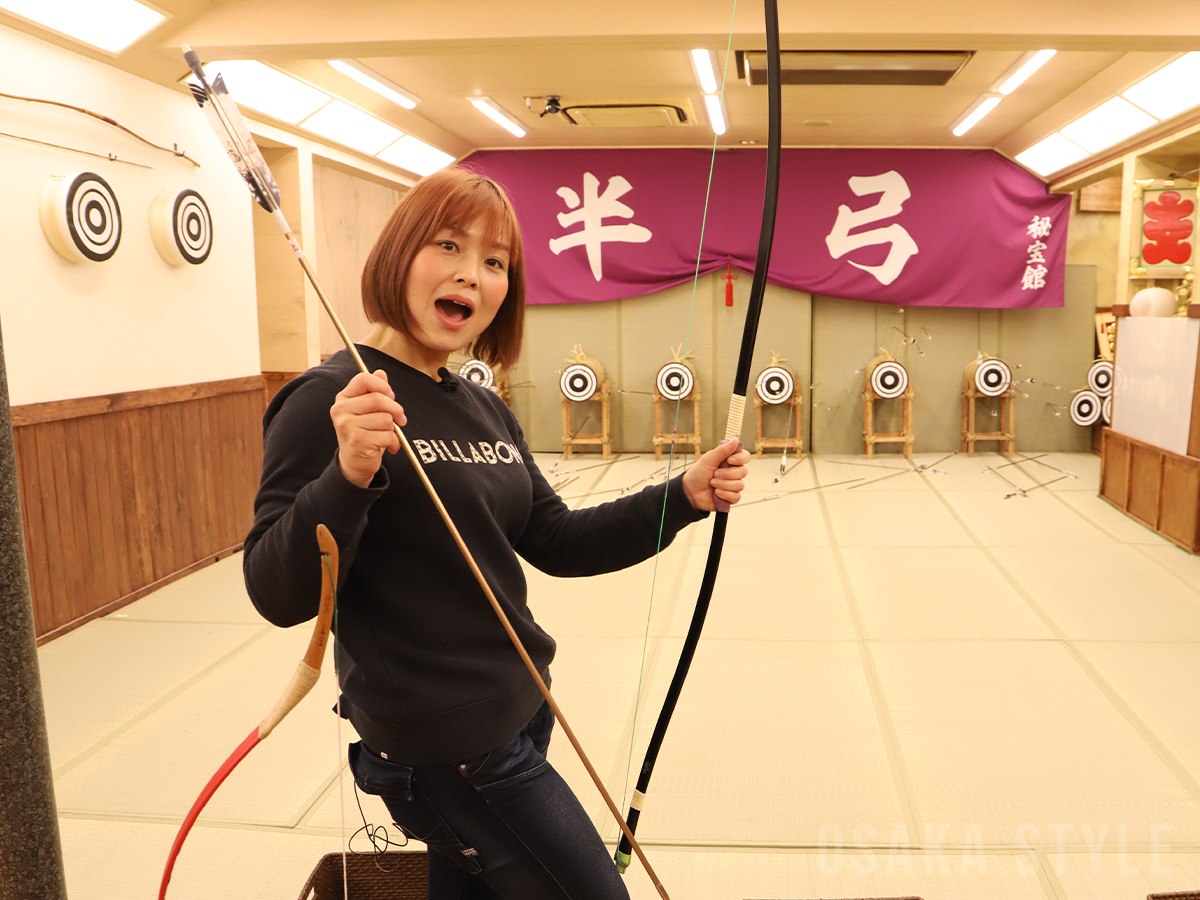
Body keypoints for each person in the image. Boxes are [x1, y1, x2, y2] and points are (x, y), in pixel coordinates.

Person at [243, 166, 750, 900]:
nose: (471, 275)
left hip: (520, 708)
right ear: (399, 255)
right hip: (444, 749)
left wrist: (682, 497)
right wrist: (347, 473)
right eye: (447, 246)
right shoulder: (331, 399)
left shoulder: (482, 409)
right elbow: (275, 589)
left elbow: (555, 539)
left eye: (494, 261)